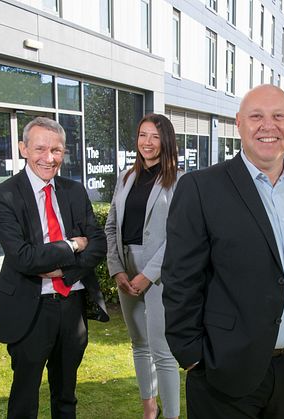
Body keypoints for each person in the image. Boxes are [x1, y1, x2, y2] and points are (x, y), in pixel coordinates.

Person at [161, 85, 284, 419]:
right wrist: (191, 354)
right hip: (225, 371)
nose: (267, 126)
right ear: (239, 123)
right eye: (256, 116)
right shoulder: (201, 188)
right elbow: (180, 279)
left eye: (278, 116)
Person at [0, 117, 109, 419]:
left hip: (71, 306)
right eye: (40, 148)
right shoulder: (4, 194)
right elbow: (23, 258)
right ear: (23, 149)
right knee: (25, 398)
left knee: (66, 395)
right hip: (30, 308)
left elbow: (98, 244)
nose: (49, 157)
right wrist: (71, 246)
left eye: (56, 150)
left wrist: (63, 273)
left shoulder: (74, 191)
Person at [105, 114, 182, 419]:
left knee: (162, 350)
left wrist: (148, 275)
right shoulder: (125, 177)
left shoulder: (178, 181)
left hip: (158, 273)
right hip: (126, 267)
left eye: (154, 136)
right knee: (139, 342)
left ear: (166, 140)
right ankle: (150, 410)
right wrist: (117, 269)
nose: (147, 143)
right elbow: (111, 225)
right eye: (142, 135)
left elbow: (179, 235)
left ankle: (172, 415)